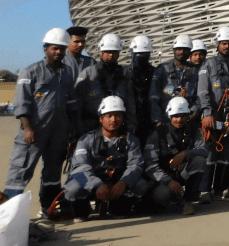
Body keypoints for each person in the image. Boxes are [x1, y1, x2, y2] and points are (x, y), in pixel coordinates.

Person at [3, 28, 77, 212]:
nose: (58, 52)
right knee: (21, 169)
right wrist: (27, 128)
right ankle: (9, 213)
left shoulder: (67, 73)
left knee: (53, 170)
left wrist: (71, 131)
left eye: (61, 48)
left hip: (59, 131)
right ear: (45, 49)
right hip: (34, 131)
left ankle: (48, 208)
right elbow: (21, 104)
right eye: (54, 48)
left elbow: (71, 103)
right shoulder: (30, 72)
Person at [63, 96, 146, 219]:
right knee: (72, 189)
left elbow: (136, 164)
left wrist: (124, 182)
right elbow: (80, 166)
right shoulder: (86, 139)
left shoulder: (131, 140)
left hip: (117, 181)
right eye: (109, 116)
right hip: (92, 182)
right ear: (101, 119)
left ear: (123, 118)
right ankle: (83, 206)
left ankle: (118, 204)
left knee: (141, 185)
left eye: (118, 115)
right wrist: (97, 185)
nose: (113, 119)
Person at [196, 26, 229, 202]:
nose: (227, 46)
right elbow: (203, 91)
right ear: (218, 44)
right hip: (213, 116)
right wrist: (207, 113)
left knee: (225, 154)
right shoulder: (208, 64)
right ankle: (205, 190)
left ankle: (220, 189)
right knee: (210, 153)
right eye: (224, 43)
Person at [142, 97, 208, 215]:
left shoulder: (193, 130)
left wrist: (185, 154)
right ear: (169, 116)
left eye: (183, 116)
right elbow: (150, 164)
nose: (179, 119)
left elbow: (204, 150)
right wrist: (168, 181)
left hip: (181, 173)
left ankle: (187, 201)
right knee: (161, 195)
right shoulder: (158, 133)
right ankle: (172, 199)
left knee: (199, 160)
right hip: (163, 177)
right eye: (176, 116)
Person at [75, 33, 133, 134]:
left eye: (114, 52)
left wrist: (131, 124)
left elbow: (130, 102)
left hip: (117, 124)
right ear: (101, 52)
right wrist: (77, 127)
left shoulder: (124, 74)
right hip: (91, 124)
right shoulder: (88, 73)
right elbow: (78, 101)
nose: (111, 55)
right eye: (108, 52)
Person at [150, 34, 196, 126]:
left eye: (185, 49)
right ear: (174, 51)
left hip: (186, 119)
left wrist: (193, 113)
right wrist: (157, 119)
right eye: (179, 49)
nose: (182, 52)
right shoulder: (162, 69)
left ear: (190, 52)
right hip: (165, 119)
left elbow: (199, 96)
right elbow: (154, 97)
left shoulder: (196, 71)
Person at [126, 35, 155, 144]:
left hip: (149, 118)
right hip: (130, 119)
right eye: (139, 54)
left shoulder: (155, 73)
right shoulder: (124, 73)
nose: (142, 57)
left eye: (145, 54)